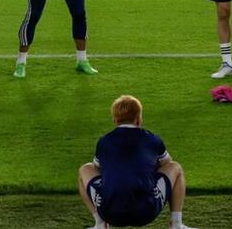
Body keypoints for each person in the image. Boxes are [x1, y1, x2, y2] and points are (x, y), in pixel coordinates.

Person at [78, 95, 194, 229]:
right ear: (139, 119)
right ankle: (176, 224)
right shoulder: (152, 139)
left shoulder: (104, 141)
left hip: (109, 212)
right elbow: (167, 165)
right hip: (146, 212)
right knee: (175, 168)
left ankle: (100, 223)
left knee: (85, 169)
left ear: (114, 120)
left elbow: (97, 169)